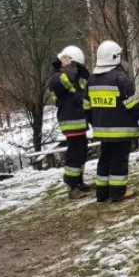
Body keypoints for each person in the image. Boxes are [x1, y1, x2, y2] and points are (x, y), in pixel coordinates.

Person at [88, 40, 139, 202]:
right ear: (114, 57)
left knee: (105, 159)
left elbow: (86, 106)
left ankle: (102, 193)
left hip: (101, 130)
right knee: (119, 160)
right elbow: (133, 105)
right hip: (121, 130)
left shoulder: (91, 80)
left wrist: (96, 123)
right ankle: (118, 192)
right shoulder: (120, 79)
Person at [47, 45, 93, 198]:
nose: (76, 69)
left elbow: (85, 86)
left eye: (77, 66)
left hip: (80, 120)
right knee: (74, 154)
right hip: (71, 121)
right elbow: (64, 82)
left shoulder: (76, 76)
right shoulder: (56, 78)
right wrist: (67, 68)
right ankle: (72, 186)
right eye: (74, 66)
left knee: (82, 152)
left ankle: (79, 182)